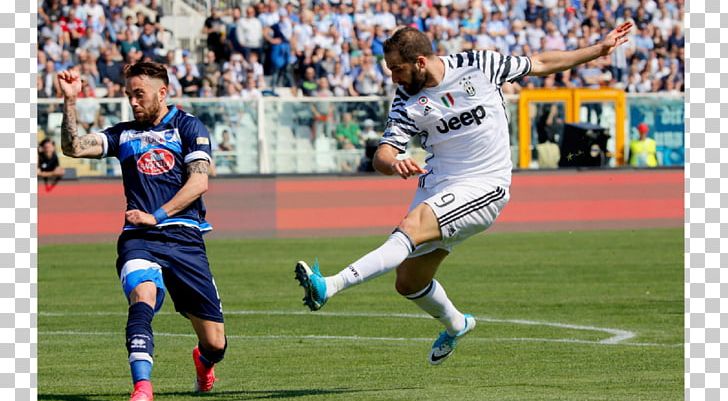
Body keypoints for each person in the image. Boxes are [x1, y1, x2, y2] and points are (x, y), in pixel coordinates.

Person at [295, 23, 633, 365]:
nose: (394, 78)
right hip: (439, 183)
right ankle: (458, 325)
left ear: (421, 61)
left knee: (409, 229)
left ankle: (330, 286)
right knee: (409, 282)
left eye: (397, 69)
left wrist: (599, 50)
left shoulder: (479, 64)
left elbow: (539, 63)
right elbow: (382, 154)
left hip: (486, 184)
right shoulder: (406, 100)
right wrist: (395, 161)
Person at [57, 62, 227, 401]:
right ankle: (142, 388)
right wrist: (70, 102)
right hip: (139, 237)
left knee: (215, 343)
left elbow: (199, 181)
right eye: (129, 95)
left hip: (184, 237)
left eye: (140, 94)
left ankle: (204, 362)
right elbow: (73, 147)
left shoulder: (188, 127)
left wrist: (158, 214)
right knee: (143, 297)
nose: (133, 102)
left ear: (162, 93)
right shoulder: (124, 134)